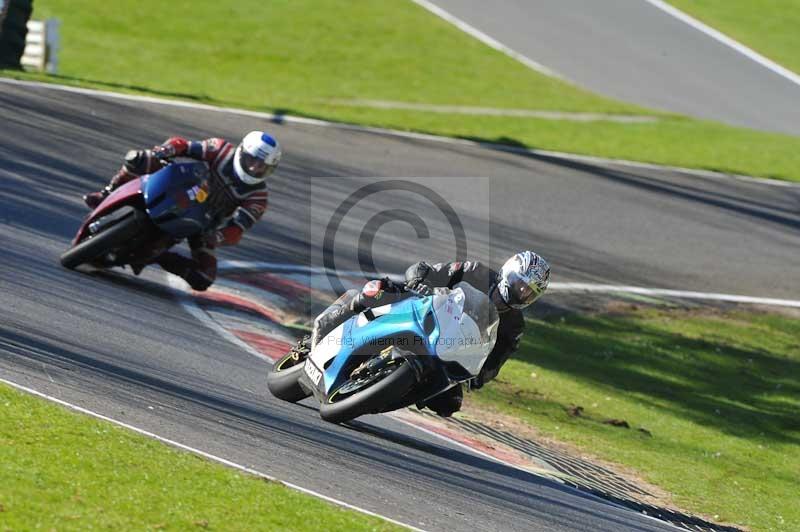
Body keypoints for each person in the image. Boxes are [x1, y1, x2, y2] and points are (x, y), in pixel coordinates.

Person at [289, 251, 550, 417]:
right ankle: (328, 328)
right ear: (508, 272)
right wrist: (419, 281)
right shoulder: (474, 271)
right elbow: (427, 270)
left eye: (528, 292)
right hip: (421, 309)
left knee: (450, 403)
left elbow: (496, 360)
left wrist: (479, 377)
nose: (520, 293)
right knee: (375, 290)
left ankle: (380, 393)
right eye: (519, 284)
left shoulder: (513, 326)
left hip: (447, 349)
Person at [82, 131, 282, 291]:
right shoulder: (220, 150)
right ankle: (106, 193)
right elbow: (185, 146)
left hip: (204, 223)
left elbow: (237, 230)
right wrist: (167, 149)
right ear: (242, 152)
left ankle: (155, 256)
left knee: (203, 278)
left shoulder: (258, 197)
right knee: (140, 158)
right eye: (252, 160)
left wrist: (217, 237)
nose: (255, 169)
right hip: (182, 189)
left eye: (262, 166)